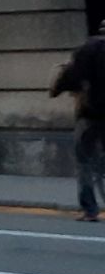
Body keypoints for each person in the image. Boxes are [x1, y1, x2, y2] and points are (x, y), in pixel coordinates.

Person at [51, 19, 105, 222]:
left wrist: (57, 89)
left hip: (90, 114)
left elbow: (71, 77)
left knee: (85, 161)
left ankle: (90, 210)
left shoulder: (87, 49)